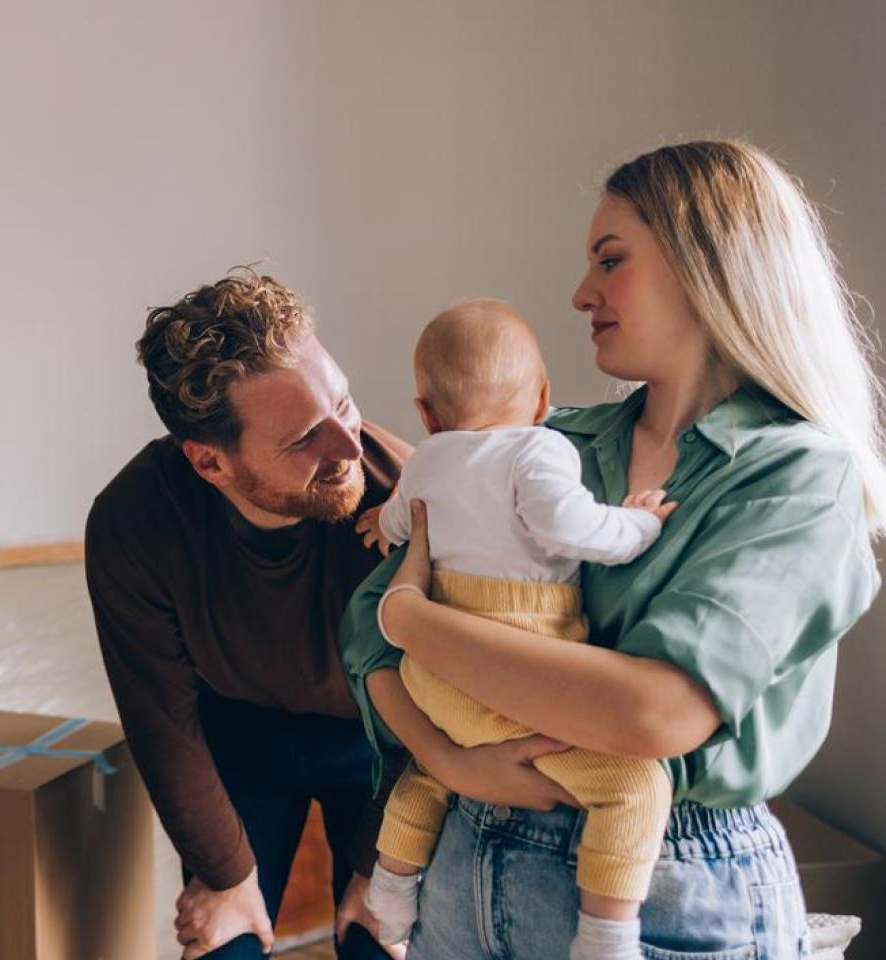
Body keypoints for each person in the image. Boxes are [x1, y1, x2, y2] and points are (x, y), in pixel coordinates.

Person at [342, 140, 883, 958]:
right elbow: (361, 628)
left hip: (667, 885)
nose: (580, 292)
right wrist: (445, 758)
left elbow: (655, 711)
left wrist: (417, 623)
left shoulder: (802, 477)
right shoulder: (547, 443)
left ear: (710, 265)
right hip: (464, 860)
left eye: (610, 260)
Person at [85, 269, 406, 959]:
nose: (347, 448)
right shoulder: (135, 522)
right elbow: (161, 720)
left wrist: (382, 869)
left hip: (387, 739)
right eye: (304, 439)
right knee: (221, 944)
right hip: (236, 729)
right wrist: (227, 878)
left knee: (382, 940)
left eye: (344, 404)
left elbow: (448, 707)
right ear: (210, 463)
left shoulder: (408, 497)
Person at [354, 298, 678, 960]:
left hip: (433, 674)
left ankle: (390, 889)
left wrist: (376, 527)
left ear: (424, 412)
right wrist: (642, 521)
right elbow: (573, 528)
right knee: (636, 786)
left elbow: (396, 524)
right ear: (543, 399)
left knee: (431, 771)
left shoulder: (425, 461)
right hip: (516, 669)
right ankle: (605, 937)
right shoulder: (540, 447)